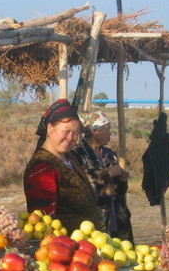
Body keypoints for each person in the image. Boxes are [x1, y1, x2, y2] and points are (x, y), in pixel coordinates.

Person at [23, 99, 105, 234]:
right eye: (66, 131)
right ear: (50, 128)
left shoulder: (69, 158)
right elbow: (43, 223)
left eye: (75, 133)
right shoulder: (42, 168)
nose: (70, 138)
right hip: (65, 245)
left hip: (87, 242)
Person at [74, 110, 134, 243]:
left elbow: (119, 190)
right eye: (107, 129)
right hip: (94, 221)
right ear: (95, 131)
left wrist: (122, 180)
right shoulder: (77, 154)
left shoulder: (109, 154)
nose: (110, 133)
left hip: (118, 218)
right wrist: (107, 174)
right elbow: (81, 185)